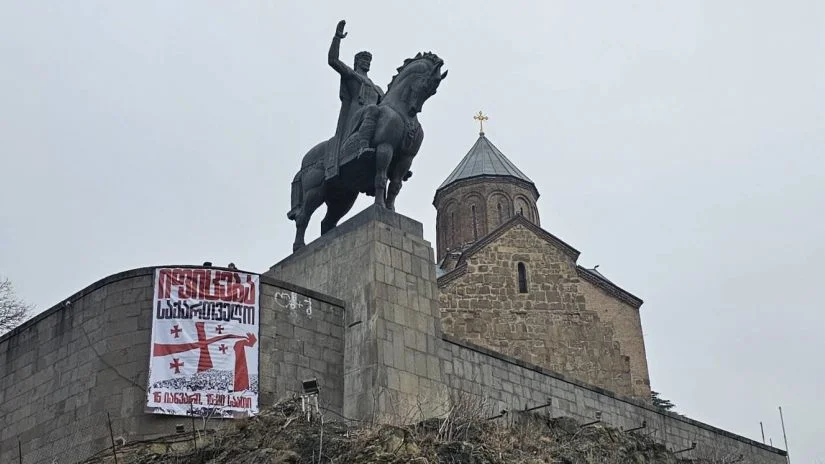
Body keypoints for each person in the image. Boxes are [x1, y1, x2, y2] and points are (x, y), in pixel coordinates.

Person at [326, 20, 384, 176]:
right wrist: (337, 38)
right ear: (357, 62)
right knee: (372, 109)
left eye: (369, 61)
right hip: (356, 114)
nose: (367, 63)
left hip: (372, 116)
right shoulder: (353, 75)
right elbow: (333, 61)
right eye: (364, 60)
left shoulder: (377, 88)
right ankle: (363, 145)